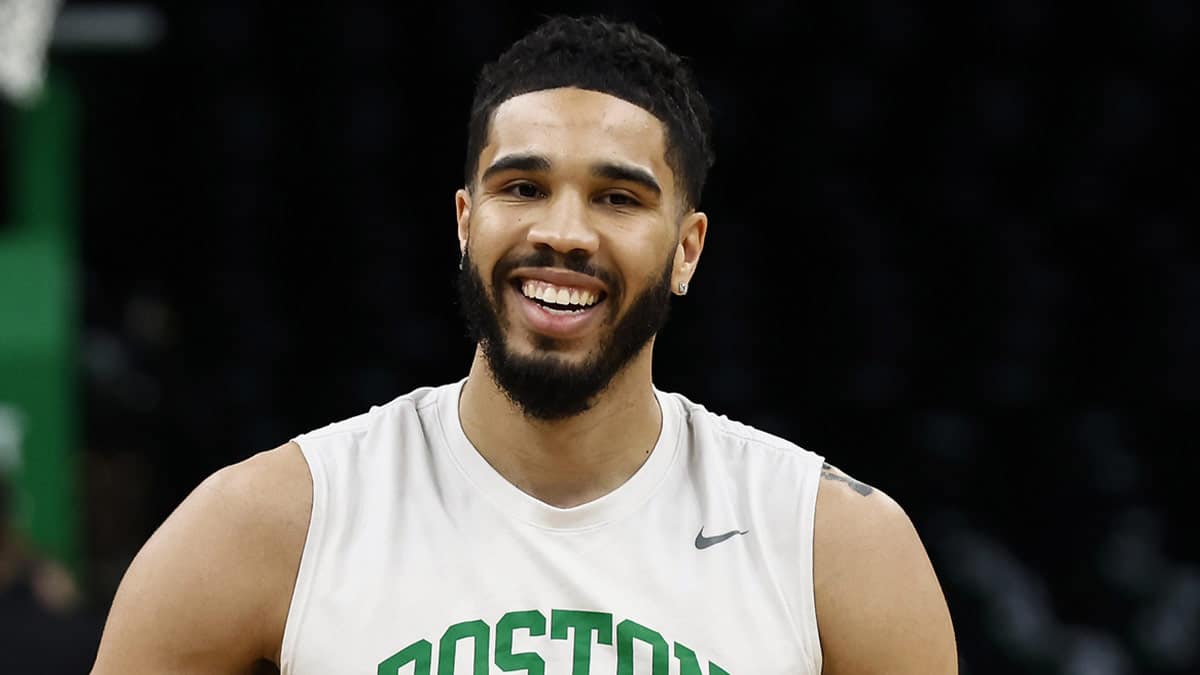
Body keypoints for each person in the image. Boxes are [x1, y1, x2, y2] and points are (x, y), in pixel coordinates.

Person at [91, 15, 956, 674]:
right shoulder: (267, 526)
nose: (563, 232)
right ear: (465, 221)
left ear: (687, 248)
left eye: (618, 197)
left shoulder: (832, 547)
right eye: (523, 186)